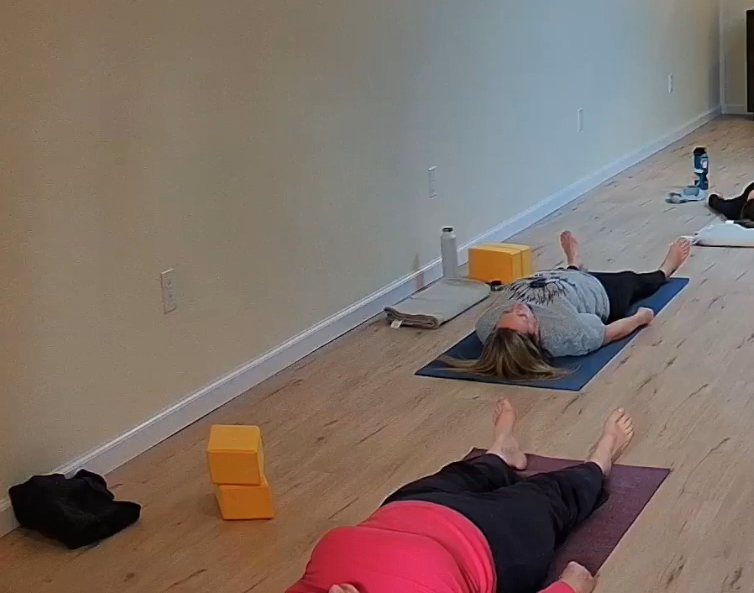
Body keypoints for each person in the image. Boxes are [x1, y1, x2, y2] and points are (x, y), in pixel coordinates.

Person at [286, 398, 630, 593]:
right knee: (548, 495)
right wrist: (569, 588)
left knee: (462, 474)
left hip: (406, 509)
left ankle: (499, 454)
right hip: (487, 544)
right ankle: (598, 464)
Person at [442, 230, 693, 382]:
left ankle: (574, 263)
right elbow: (609, 332)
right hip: (600, 291)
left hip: (555, 278)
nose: (518, 306)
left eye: (508, 312)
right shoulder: (566, 335)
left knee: (562, 279)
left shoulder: (487, 326)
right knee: (632, 281)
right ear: (536, 334)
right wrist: (640, 318)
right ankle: (666, 269)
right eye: (523, 316)